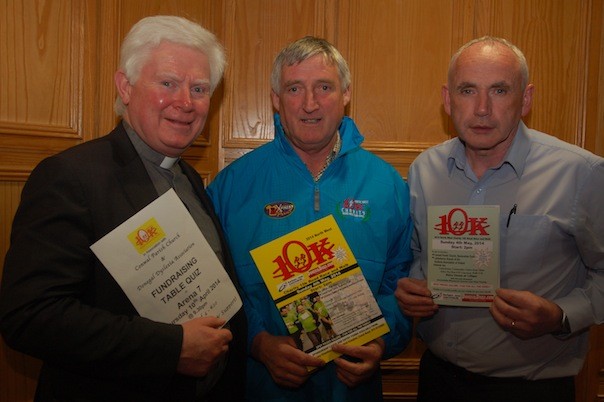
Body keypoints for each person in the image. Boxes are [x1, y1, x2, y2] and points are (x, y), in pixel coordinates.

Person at [0, 15, 247, 401]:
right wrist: (171, 348)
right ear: (125, 87)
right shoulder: (70, 177)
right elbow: (29, 316)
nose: (185, 102)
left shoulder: (192, 180)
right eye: (168, 83)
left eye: (199, 88)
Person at [395, 36, 604, 402]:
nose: (481, 109)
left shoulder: (581, 173)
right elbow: (416, 256)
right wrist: (414, 289)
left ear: (525, 100)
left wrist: (560, 316)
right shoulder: (424, 171)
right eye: (467, 90)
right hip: (438, 381)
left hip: (533, 389)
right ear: (448, 100)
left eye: (499, 90)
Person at [207, 36, 414, 401]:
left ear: (346, 94)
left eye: (324, 87)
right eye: (294, 88)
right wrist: (257, 342)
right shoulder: (230, 188)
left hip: (353, 391)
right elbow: (212, 289)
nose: (310, 104)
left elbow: (403, 282)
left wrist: (381, 341)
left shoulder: (388, 185)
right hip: (260, 389)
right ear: (275, 98)